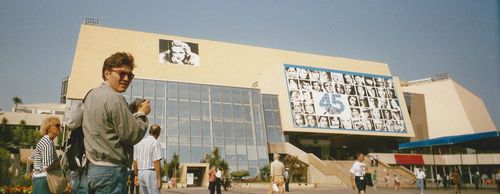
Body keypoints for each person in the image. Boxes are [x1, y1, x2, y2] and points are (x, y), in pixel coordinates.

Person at [83, 52, 150, 194]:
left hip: (91, 169)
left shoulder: (91, 95)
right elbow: (132, 135)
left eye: (130, 75)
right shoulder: (115, 98)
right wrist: (142, 114)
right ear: (107, 73)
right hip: (111, 171)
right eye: (121, 73)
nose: (126, 78)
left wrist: (129, 110)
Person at [30, 117, 62, 194]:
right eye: (57, 125)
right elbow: (47, 166)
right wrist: (58, 162)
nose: (59, 128)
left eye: (59, 125)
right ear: (48, 128)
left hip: (39, 179)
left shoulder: (44, 141)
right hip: (43, 179)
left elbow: (32, 157)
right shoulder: (47, 143)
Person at [133, 125, 163, 194]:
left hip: (140, 173)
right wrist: (159, 179)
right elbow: (156, 161)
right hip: (150, 173)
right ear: (158, 133)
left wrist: (136, 175)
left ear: (149, 132)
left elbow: (135, 161)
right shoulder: (155, 143)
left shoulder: (139, 143)